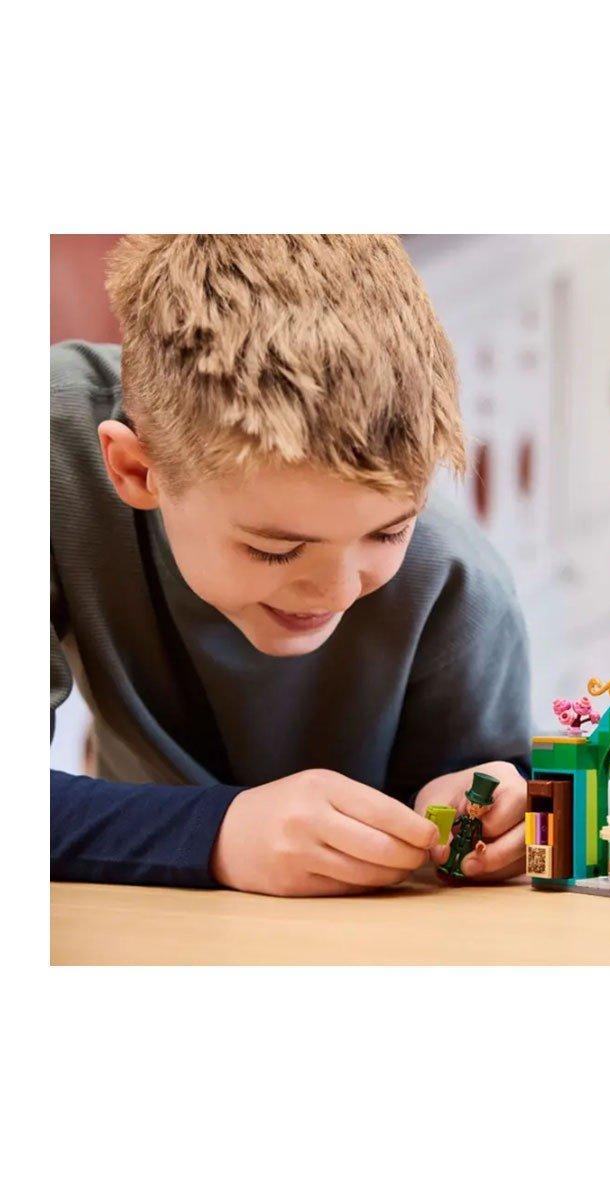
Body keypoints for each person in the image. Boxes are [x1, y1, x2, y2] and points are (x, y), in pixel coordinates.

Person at [51, 236, 531, 896]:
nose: (336, 591)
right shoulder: (44, 456)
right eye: (275, 549)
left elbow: (502, 783)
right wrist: (218, 835)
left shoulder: (457, 580)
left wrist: (500, 808)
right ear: (136, 470)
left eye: (390, 532)